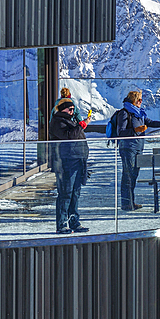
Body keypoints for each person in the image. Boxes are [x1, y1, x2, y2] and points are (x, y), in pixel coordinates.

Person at [114, 91, 160, 211]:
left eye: (141, 99)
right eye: (139, 100)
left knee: (133, 175)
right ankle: (126, 203)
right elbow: (120, 132)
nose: (141, 102)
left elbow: (150, 122)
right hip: (128, 148)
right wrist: (136, 130)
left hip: (138, 148)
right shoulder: (124, 113)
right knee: (128, 176)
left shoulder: (139, 114)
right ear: (133, 101)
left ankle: (131, 201)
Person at [48, 98, 90, 234]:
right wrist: (81, 125)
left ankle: (74, 221)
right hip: (65, 162)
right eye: (69, 109)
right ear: (62, 109)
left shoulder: (71, 121)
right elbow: (69, 136)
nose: (73, 111)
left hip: (77, 160)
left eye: (73, 109)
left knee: (75, 193)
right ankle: (61, 224)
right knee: (65, 193)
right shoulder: (57, 121)